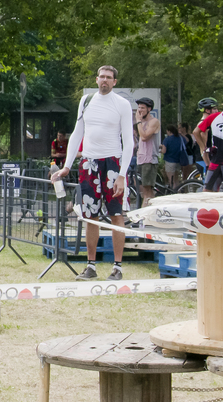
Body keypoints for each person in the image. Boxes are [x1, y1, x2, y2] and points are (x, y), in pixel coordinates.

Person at [50, 66, 136, 281]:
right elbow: (77, 133)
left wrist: (122, 174)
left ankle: (117, 267)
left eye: (109, 78)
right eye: (102, 77)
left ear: (115, 82)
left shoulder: (122, 104)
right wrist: (67, 166)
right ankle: (91, 266)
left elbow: (129, 141)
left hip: (112, 162)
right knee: (91, 217)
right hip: (89, 162)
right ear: (97, 79)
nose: (104, 80)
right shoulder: (86, 100)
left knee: (117, 215)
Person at [133, 97, 161, 205]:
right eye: (139, 108)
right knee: (142, 189)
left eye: (143, 108)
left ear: (149, 109)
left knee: (147, 190)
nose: (140, 110)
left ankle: (148, 210)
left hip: (149, 159)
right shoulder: (141, 123)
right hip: (141, 158)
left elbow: (144, 136)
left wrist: (138, 121)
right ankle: (146, 209)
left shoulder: (153, 121)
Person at [161, 125, 189, 189]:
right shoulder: (180, 138)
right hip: (178, 161)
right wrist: (181, 134)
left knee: (171, 180)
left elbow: (164, 151)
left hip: (169, 161)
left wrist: (161, 149)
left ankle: (173, 192)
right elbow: (187, 140)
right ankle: (178, 191)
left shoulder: (167, 139)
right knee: (176, 180)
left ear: (169, 131)